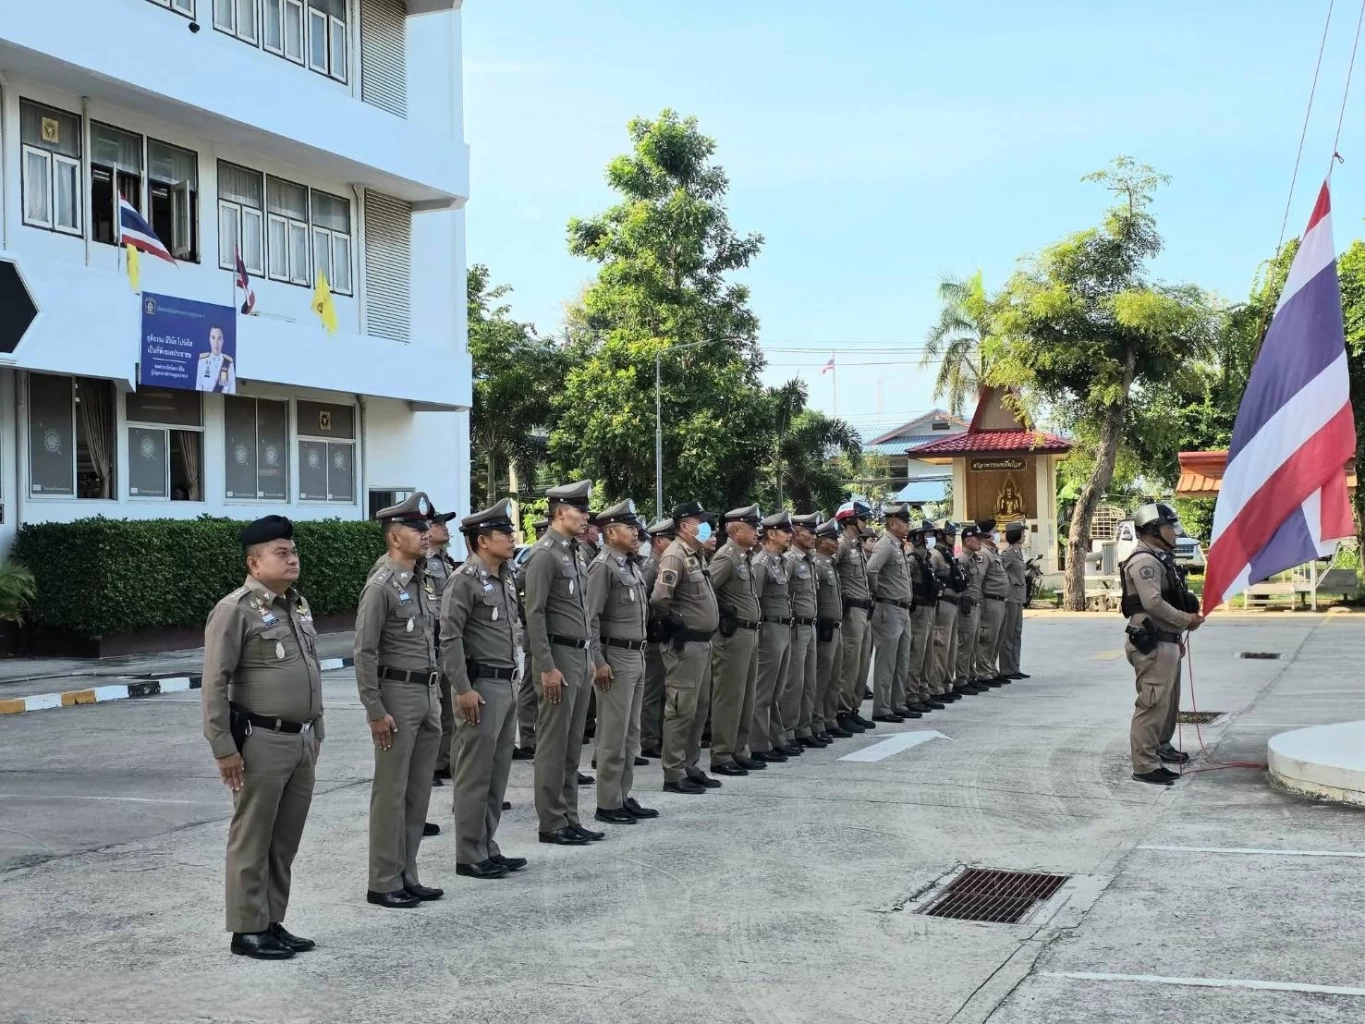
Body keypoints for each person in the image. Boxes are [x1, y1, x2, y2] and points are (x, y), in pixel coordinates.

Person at [201, 515, 322, 960]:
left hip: (300, 739)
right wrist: (224, 747)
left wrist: (318, 729)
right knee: (252, 837)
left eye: (293, 552)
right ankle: (246, 929)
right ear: (254, 563)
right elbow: (214, 682)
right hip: (260, 740)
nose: (292, 559)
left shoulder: (296, 605)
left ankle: (271, 921)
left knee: (284, 839)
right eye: (281, 553)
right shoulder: (234, 610)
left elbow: (310, 669)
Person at [355, 493, 443, 909]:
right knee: (391, 793)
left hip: (426, 694)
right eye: (417, 529)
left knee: (417, 791)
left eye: (426, 528)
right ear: (394, 537)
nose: (426, 535)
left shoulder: (422, 579)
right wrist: (375, 709)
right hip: (396, 696)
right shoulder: (381, 586)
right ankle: (383, 880)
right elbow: (365, 652)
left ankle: (408, 873)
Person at [438, 498, 527, 879]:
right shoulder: (465, 580)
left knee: (497, 774)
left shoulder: (504, 577)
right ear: (482, 541)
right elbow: (450, 638)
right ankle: (469, 852)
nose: (511, 538)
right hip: (480, 687)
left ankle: (487, 845)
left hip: (506, 683)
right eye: (503, 533)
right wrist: (462, 688)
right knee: (474, 775)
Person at [523, 480, 602, 845]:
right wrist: (546, 666)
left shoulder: (574, 552)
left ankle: (570, 816)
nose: (586, 516)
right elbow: (535, 615)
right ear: (559, 513)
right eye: (580, 510)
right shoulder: (544, 555)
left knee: (573, 746)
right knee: (553, 746)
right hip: (558, 658)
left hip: (580, 656)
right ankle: (551, 821)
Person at [585, 500, 658, 824]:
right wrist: (598, 661)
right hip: (615, 656)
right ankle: (607, 803)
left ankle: (622, 795)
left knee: (631, 733)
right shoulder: (604, 566)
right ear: (611, 532)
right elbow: (591, 618)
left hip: (636, 654)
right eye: (629, 527)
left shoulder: (629, 564)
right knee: (613, 734)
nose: (636, 532)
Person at [1121, 502, 1203, 785]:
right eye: (1169, 528)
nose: (1174, 533)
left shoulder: (1160, 558)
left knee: (1167, 702)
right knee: (1152, 703)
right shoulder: (1144, 561)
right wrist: (1186, 620)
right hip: (1153, 642)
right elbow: (1153, 603)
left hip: (1166, 640)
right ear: (1154, 531)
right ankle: (1144, 766)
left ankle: (1160, 747)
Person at [650, 501, 721, 794]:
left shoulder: (697, 555)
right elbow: (659, 598)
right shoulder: (675, 555)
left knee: (698, 708)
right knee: (680, 709)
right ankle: (673, 771)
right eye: (699, 521)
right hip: (685, 646)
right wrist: (676, 622)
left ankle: (691, 765)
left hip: (702, 645)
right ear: (684, 526)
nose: (705, 526)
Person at [707, 505, 766, 777]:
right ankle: (721, 754)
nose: (757, 532)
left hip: (749, 634)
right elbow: (707, 593)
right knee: (729, 696)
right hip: (733, 636)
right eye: (752, 527)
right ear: (735, 529)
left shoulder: (744, 557)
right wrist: (723, 616)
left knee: (746, 695)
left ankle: (739, 750)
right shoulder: (726, 557)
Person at [749, 511, 797, 762]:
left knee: (777, 689)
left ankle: (776, 738)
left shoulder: (779, 561)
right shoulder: (761, 562)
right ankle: (758, 744)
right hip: (769, 630)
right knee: (764, 690)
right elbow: (755, 600)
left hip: (783, 628)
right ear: (770, 533)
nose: (790, 535)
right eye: (785, 531)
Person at [866, 502, 918, 723]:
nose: (908, 525)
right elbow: (871, 570)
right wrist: (879, 593)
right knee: (887, 661)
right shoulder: (885, 544)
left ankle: (898, 703)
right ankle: (882, 707)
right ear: (893, 523)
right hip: (888, 608)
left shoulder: (897, 545)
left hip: (902, 609)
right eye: (905, 521)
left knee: (901, 659)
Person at [425, 507, 460, 788]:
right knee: (434, 707)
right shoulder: (423, 562)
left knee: (450, 707)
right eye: (438, 524)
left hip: (447, 641)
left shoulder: (445, 560)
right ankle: (431, 765)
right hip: (433, 639)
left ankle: (444, 760)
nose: (445, 528)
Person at [833, 501, 874, 734]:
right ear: (849, 519)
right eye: (862, 518)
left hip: (864, 609)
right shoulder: (840, 545)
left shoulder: (856, 546)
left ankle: (852, 708)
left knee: (861, 663)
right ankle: (841, 710)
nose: (865, 523)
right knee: (849, 663)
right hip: (851, 611)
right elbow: (828, 573)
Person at [785, 513, 824, 748]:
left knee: (810, 681)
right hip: (796, 626)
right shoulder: (789, 559)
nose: (813, 536)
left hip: (811, 625)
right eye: (809, 531)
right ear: (796, 532)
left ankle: (804, 726)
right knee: (794, 683)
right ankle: (787, 730)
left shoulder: (809, 560)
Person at [513, 516, 550, 760]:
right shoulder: (534, 558)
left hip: (548, 633)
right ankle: (527, 735)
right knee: (529, 685)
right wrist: (524, 617)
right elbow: (515, 589)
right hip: (534, 632)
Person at [639, 518, 675, 759]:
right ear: (659, 541)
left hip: (662, 635)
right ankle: (649, 739)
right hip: (652, 636)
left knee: (662, 689)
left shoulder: (661, 564)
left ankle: (657, 735)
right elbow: (644, 602)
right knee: (652, 690)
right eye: (671, 539)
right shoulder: (651, 567)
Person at [812, 519, 848, 739]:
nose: (836, 543)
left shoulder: (830, 564)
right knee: (821, 676)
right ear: (820, 541)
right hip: (824, 627)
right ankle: (816, 720)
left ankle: (829, 717)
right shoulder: (816, 563)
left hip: (836, 625)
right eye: (831, 539)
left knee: (834, 677)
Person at [905, 520, 944, 713]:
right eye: (927, 535)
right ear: (918, 537)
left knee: (928, 655)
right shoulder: (912, 559)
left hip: (929, 608)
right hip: (918, 611)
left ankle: (923, 691)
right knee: (916, 655)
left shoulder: (926, 557)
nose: (931, 539)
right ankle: (911, 694)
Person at [930, 521, 967, 700]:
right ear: (941, 535)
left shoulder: (948, 555)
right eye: (950, 535)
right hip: (942, 604)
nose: (953, 538)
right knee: (940, 647)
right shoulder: (935, 555)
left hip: (953, 604)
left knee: (951, 647)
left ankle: (946, 684)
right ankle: (936, 686)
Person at [973, 519, 1011, 686]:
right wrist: (980, 601)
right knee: (986, 638)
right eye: (994, 531)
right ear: (986, 535)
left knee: (996, 638)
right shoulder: (983, 553)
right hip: (989, 601)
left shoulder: (993, 552)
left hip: (1000, 601)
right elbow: (979, 579)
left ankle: (991, 668)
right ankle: (983, 671)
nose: (997, 534)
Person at [999, 522, 1029, 680]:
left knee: (1017, 633)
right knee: (1008, 634)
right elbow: (1000, 570)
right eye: (1022, 533)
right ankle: (1006, 668)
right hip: (1010, 597)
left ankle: (1015, 667)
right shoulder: (1008, 553)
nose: (1024, 536)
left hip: (1018, 597)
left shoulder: (1018, 552)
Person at [196, 325, 236, 393]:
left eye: (219, 338)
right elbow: (198, 387)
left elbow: (232, 390)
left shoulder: (228, 362)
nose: (216, 342)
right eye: (213, 338)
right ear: (209, 339)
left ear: (223, 341)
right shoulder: (202, 360)